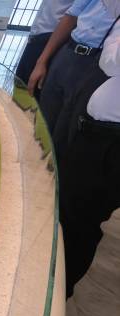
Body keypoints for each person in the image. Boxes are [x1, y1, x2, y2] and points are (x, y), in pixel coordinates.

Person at [59, 20, 120, 297]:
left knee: (79, 220)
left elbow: (112, 62)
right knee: (72, 213)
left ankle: (59, 288)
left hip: (109, 141)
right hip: (100, 133)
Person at [27, 0, 120, 135]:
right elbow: (71, 15)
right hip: (69, 51)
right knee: (43, 116)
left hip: (97, 64)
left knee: (66, 126)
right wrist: (41, 62)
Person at [14, 0, 75, 92]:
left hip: (51, 40)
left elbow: (73, 16)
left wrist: (42, 61)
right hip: (36, 37)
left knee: (30, 90)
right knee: (20, 85)